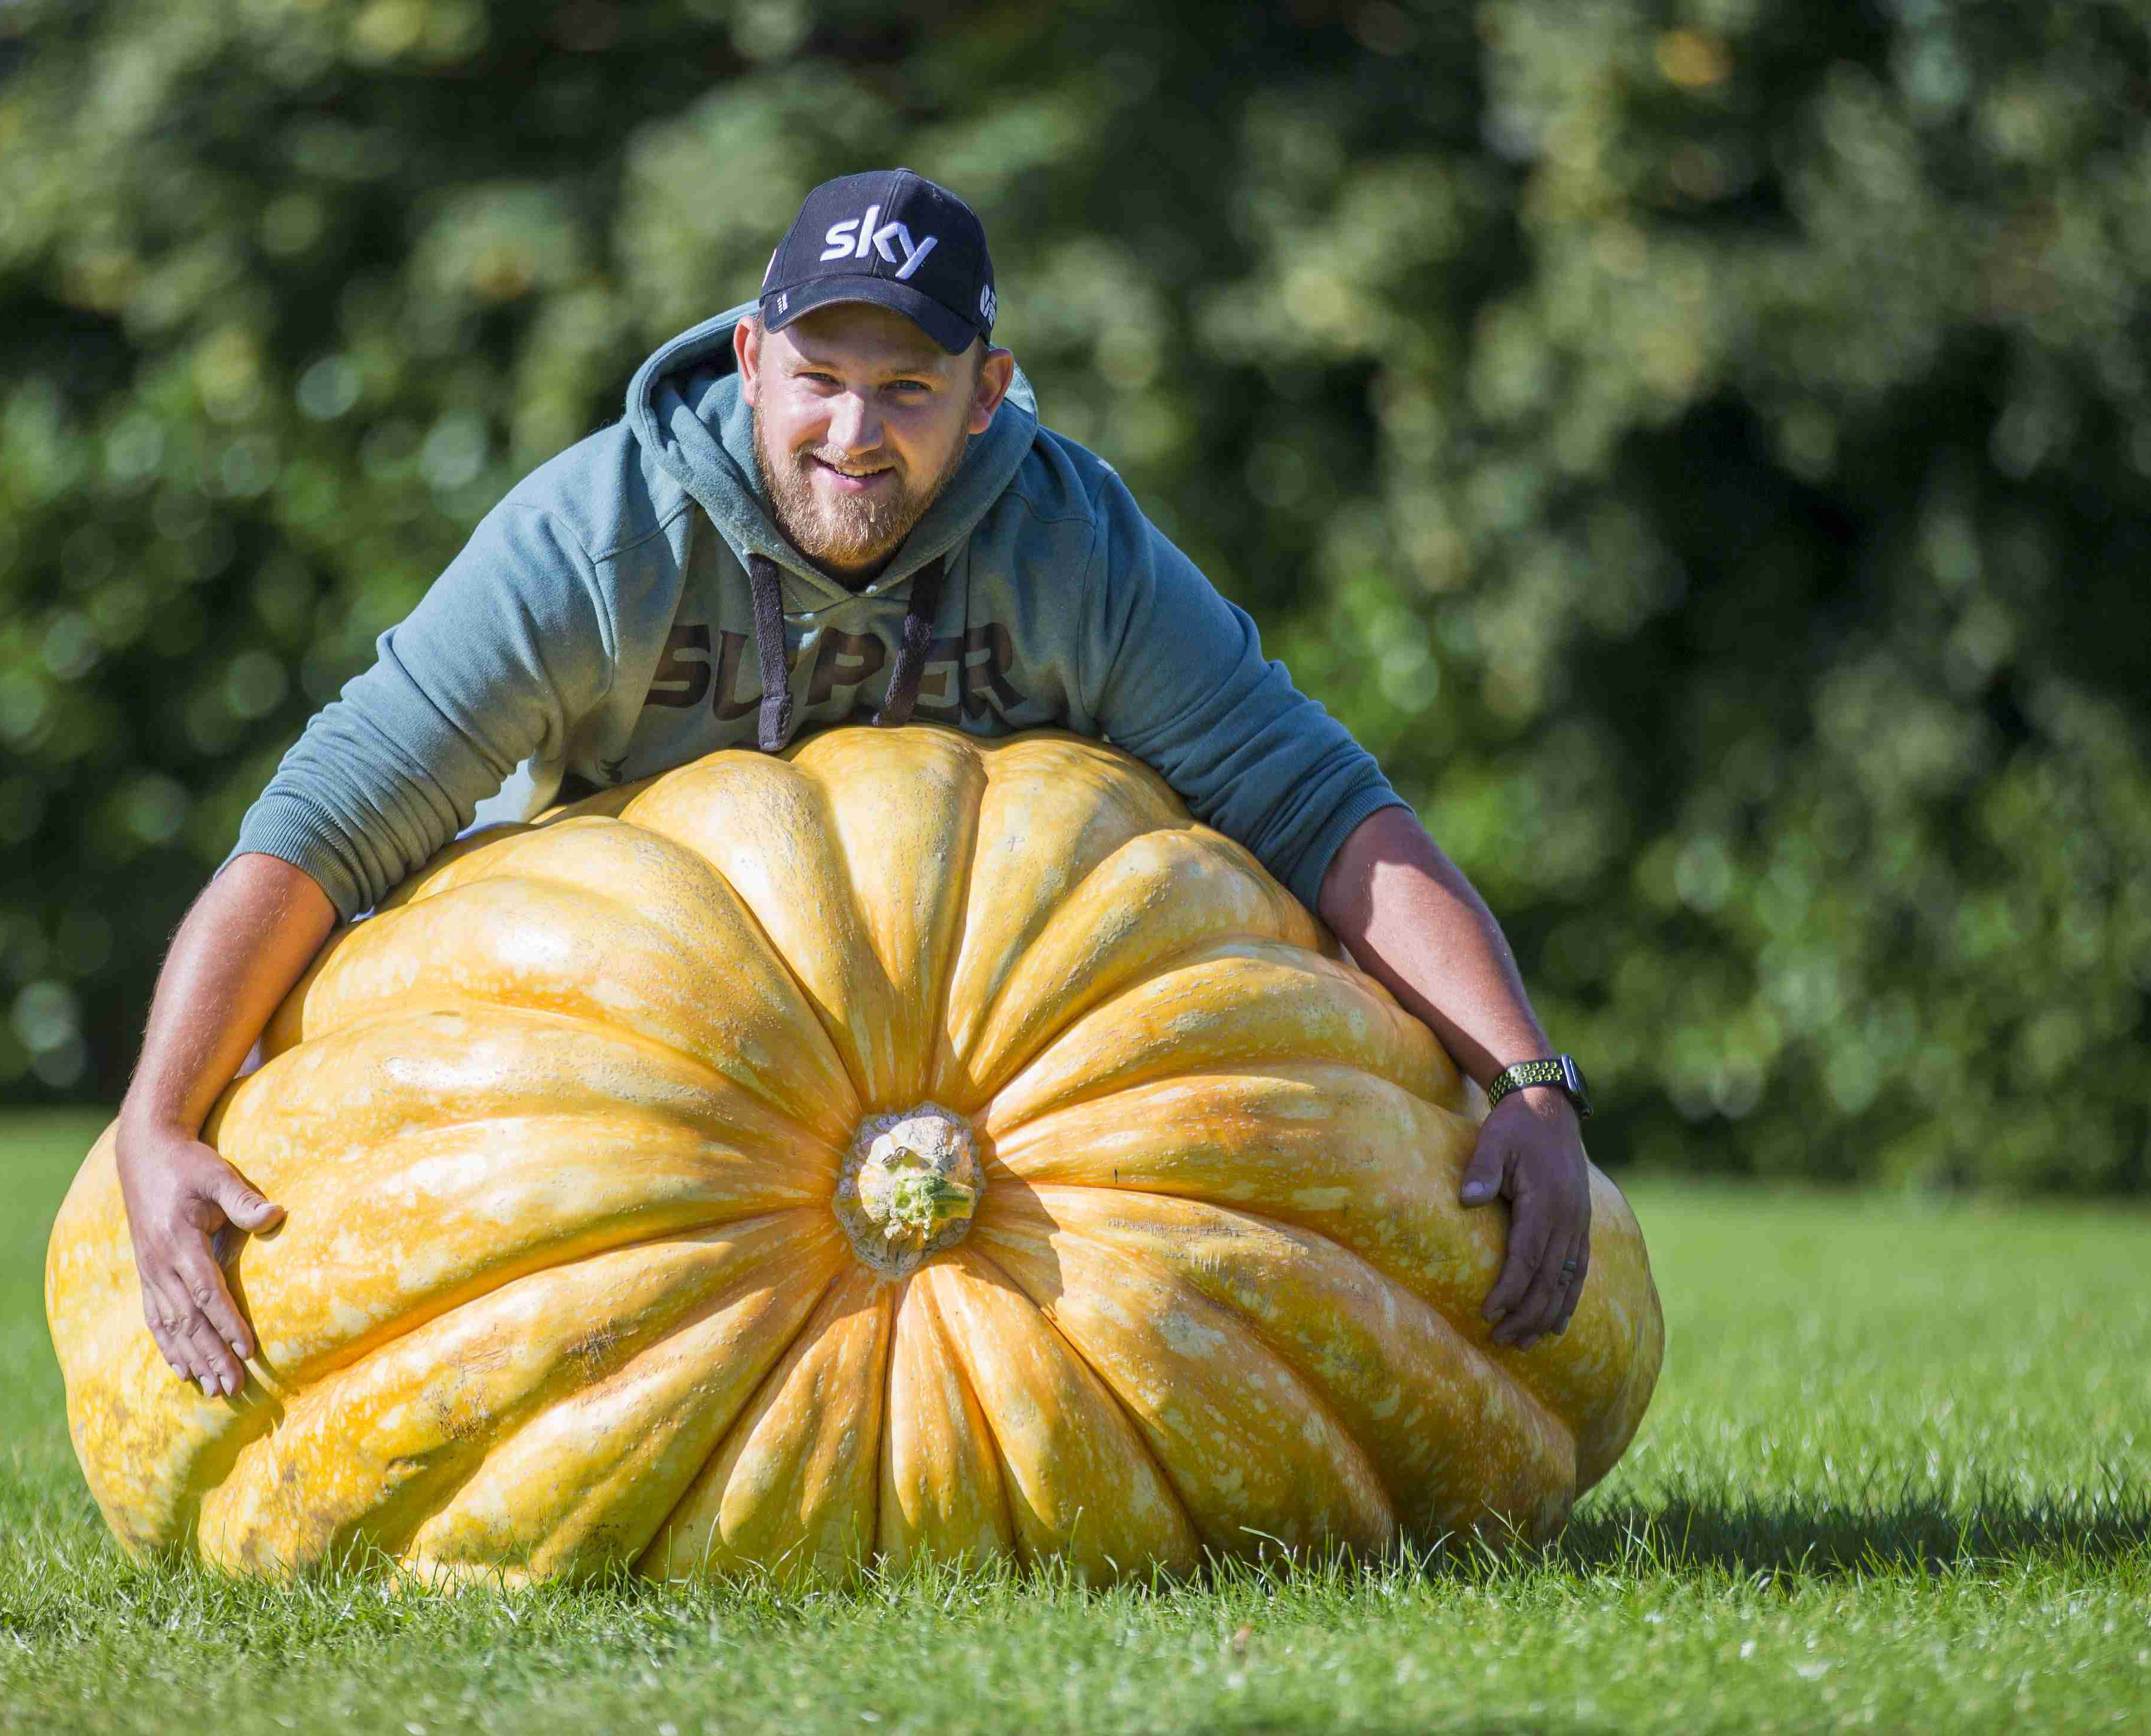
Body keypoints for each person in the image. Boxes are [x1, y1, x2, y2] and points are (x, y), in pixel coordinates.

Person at [114, 169, 1597, 1401]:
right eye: (819, 379)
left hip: (1012, 1111)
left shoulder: (1073, 550)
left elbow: (1321, 807)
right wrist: (162, 1119)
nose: (853, 431)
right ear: (753, 360)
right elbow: (332, 817)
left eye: (907, 389)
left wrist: (1526, 1080)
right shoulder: (598, 539)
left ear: (987, 392)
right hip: (605, 1085)